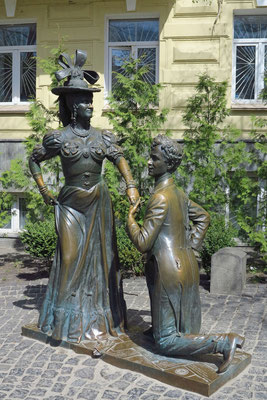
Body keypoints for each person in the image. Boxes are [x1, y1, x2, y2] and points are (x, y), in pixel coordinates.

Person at [29, 50, 139, 344]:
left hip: (99, 201)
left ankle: (97, 316)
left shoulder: (103, 137)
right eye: (84, 100)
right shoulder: (60, 138)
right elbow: (34, 160)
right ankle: (63, 320)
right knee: (69, 256)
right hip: (70, 205)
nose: (90, 104)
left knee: (102, 261)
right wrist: (43, 190)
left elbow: (119, 158)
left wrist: (130, 184)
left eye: (91, 99)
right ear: (72, 105)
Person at [127, 135, 244, 373]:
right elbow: (204, 217)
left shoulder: (160, 197)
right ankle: (161, 327)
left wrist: (130, 219)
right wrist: (190, 247)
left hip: (168, 269)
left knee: (166, 341)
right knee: (175, 327)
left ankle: (223, 342)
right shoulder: (178, 193)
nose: (149, 162)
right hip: (186, 264)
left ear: (168, 164)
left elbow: (142, 242)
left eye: (154, 158)